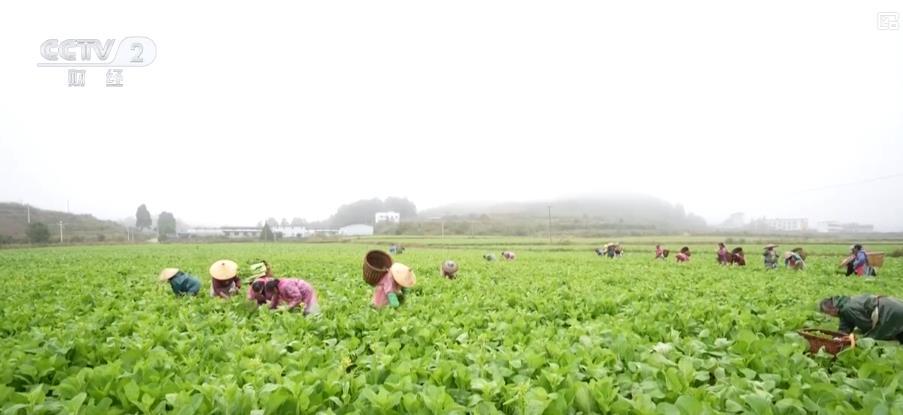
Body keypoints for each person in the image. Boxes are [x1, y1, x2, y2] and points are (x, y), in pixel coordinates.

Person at [819, 295, 903, 343]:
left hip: (889, 311)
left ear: (832, 309)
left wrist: (858, 338)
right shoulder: (843, 306)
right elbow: (844, 328)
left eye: (828, 313)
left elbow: (866, 324)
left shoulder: (847, 308)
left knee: (876, 337)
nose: (830, 316)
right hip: (892, 305)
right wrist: (838, 337)